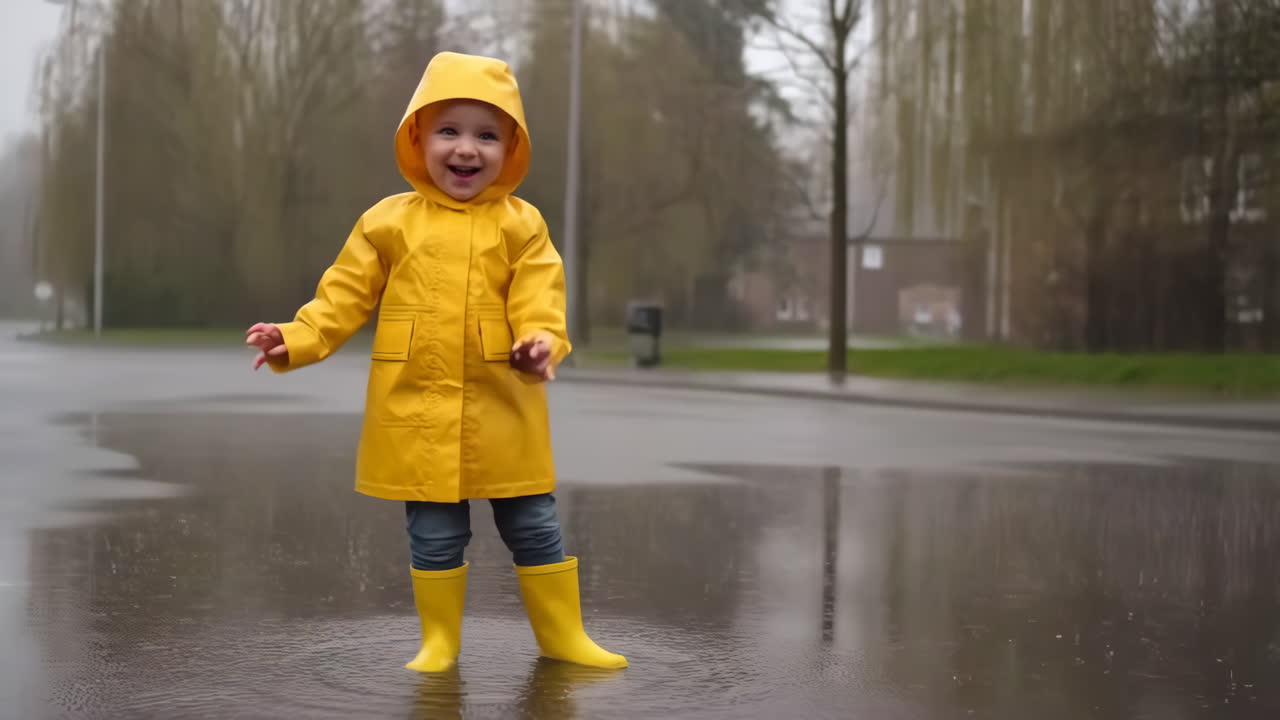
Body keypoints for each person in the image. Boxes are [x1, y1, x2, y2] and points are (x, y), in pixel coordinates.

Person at [243, 51, 626, 673]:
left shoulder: (522, 226)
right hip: (416, 408)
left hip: (503, 400)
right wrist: (296, 337)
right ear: (418, 138)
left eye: (486, 135)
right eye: (449, 131)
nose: (466, 150)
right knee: (435, 532)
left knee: (533, 524)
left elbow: (539, 301)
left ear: (512, 148)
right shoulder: (386, 222)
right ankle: (439, 642)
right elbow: (342, 296)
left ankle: (563, 637)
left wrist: (540, 345)